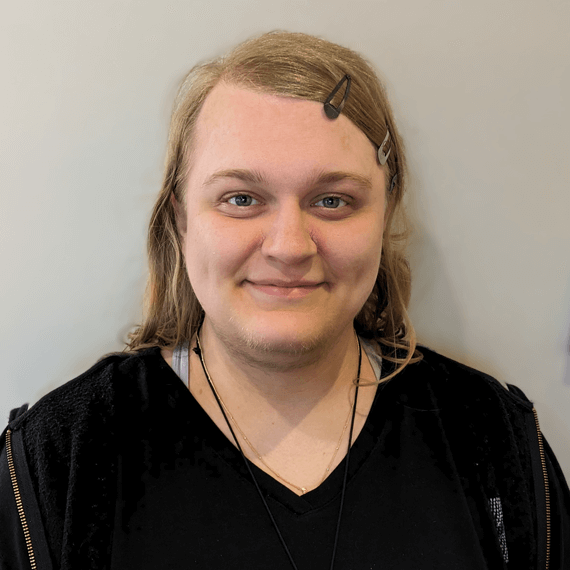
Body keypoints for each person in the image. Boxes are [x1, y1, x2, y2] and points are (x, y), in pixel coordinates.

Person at [1, 31, 569, 570]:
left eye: (333, 200)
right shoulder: (62, 458)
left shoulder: (492, 439)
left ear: (386, 213)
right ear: (179, 218)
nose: (289, 246)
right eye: (242, 198)